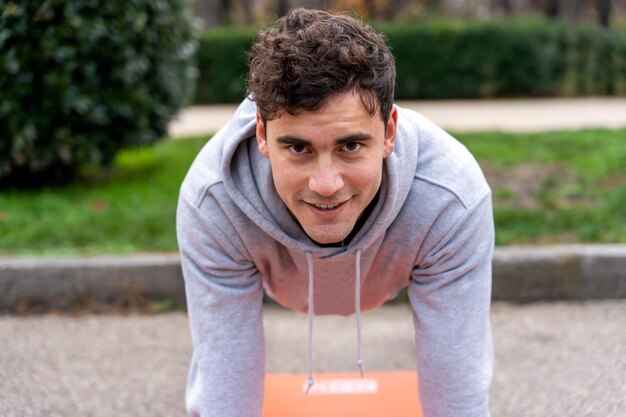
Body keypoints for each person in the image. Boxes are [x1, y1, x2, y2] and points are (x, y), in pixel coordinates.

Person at [176, 8, 494, 417]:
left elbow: (458, 392)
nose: (326, 185)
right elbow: (225, 388)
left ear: (389, 133)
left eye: (350, 146)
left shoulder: (451, 197)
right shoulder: (213, 201)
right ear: (262, 135)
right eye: (298, 148)